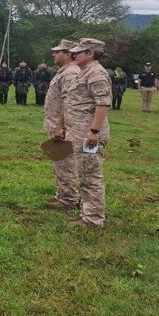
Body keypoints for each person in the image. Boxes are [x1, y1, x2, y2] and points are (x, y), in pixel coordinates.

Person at [59, 38, 112, 228]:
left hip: (88, 136)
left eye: (79, 52)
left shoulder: (96, 74)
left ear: (90, 54)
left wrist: (93, 131)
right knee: (84, 173)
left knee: (90, 175)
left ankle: (93, 219)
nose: (74, 55)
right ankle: (87, 214)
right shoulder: (85, 72)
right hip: (79, 133)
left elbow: (103, 104)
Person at [44, 39, 80, 210]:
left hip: (63, 126)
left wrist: (61, 126)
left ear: (68, 54)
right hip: (56, 124)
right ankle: (62, 195)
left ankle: (68, 199)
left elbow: (68, 100)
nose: (54, 54)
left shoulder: (70, 73)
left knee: (65, 161)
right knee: (59, 160)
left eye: (58, 51)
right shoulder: (63, 72)